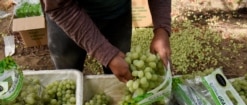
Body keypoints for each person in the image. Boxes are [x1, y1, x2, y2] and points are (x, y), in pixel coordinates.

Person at [40, 0, 172, 83]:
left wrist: (162, 28)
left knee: (120, 72)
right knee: (67, 77)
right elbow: (59, 7)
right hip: (67, 17)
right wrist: (106, 53)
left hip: (117, 13)